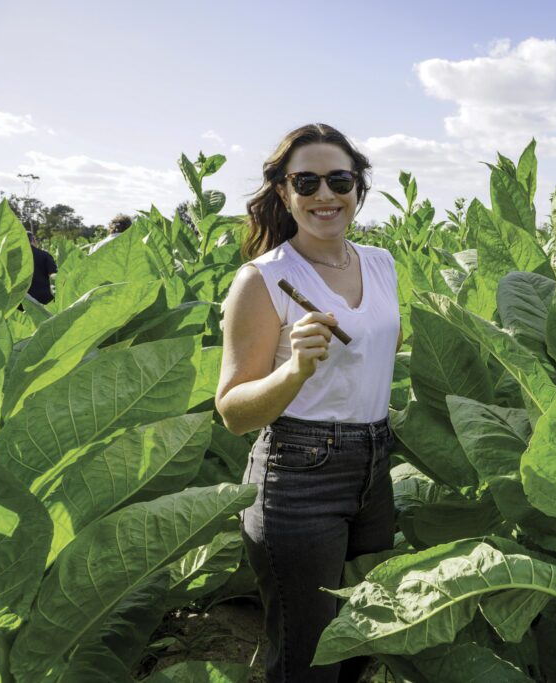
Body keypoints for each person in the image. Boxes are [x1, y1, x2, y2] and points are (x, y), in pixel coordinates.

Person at [215, 124, 401, 683]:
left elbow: (381, 348)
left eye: (339, 180)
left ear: (358, 187)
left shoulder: (381, 262)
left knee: (366, 634)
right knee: (309, 655)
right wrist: (295, 368)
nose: (325, 195)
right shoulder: (263, 279)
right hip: (300, 475)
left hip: (375, 464)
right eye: (306, 182)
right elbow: (233, 412)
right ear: (283, 191)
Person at [26, 230, 57, 304]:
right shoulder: (45, 255)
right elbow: (53, 276)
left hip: (24, 301)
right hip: (44, 300)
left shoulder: (14, 258)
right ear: (33, 240)